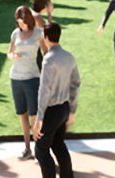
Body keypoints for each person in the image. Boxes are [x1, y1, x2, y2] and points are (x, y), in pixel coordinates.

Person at [34, 22, 79, 178]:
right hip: (64, 109)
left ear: (46, 37)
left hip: (52, 111)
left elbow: (44, 90)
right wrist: (72, 111)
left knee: (40, 150)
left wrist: (39, 118)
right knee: (58, 145)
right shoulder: (69, 57)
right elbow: (76, 84)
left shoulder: (48, 60)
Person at [8, 6, 45, 159]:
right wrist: (12, 56)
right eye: (18, 22)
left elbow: (46, 52)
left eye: (23, 22)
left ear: (29, 19)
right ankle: (27, 148)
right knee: (21, 114)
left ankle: (40, 149)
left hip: (32, 78)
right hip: (15, 78)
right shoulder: (15, 33)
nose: (21, 25)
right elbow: (9, 52)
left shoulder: (38, 33)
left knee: (34, 115)